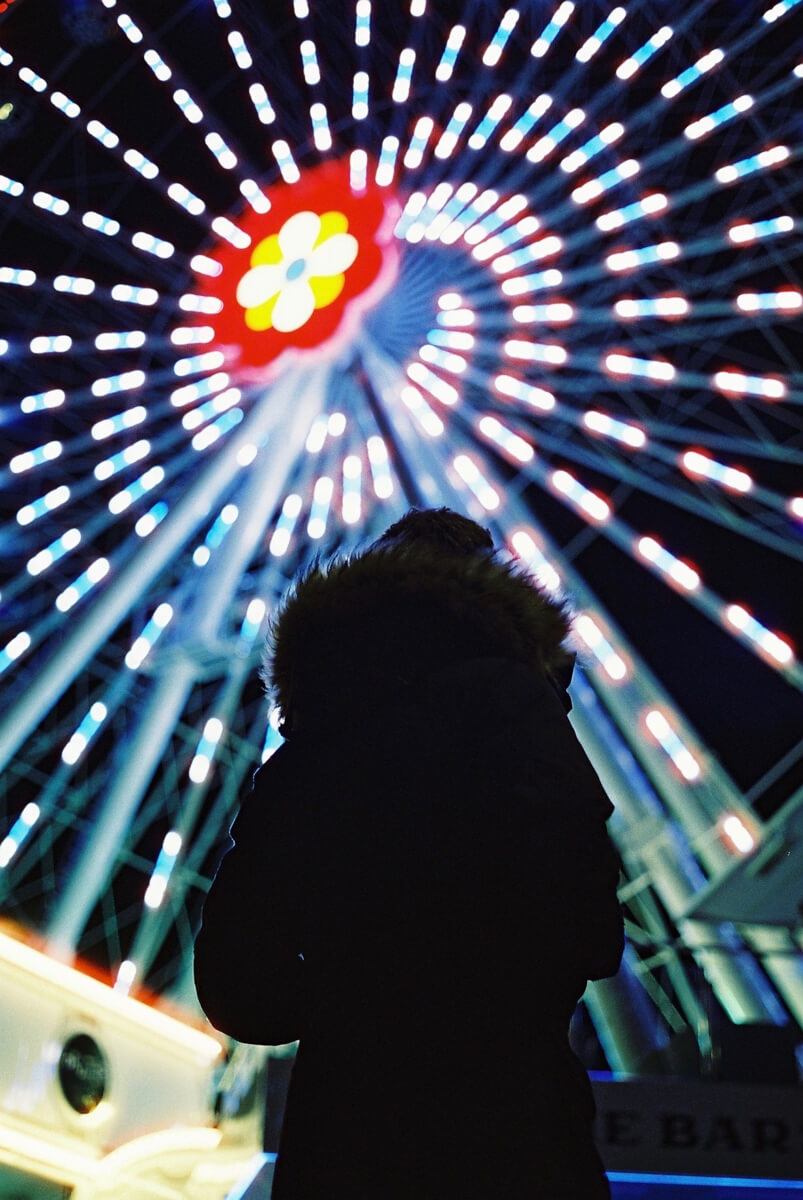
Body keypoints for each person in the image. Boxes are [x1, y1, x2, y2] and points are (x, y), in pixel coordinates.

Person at [194, 507, 624, 1198]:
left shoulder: (310, 754)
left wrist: (349, 1001)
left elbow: (236, 983)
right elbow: (591, 932)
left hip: (348, 1132)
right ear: (500, 602)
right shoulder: (526, 722)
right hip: (515, 1123)